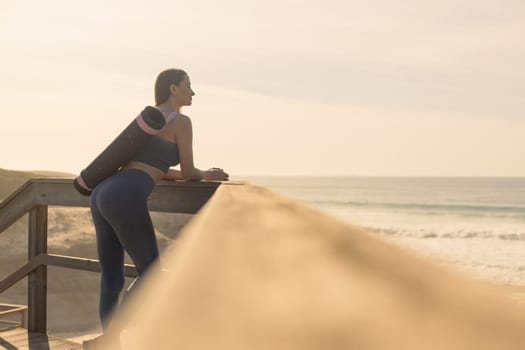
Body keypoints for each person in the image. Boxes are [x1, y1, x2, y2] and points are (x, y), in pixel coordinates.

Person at [84, 68, 229, 347]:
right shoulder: (181, 121)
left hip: (104, 191)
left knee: (112, 277)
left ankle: (108, 345)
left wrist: (188, 172)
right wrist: (206, 173)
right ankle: (108, 341)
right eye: (188, 86)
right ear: (173, 89)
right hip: (126, 194)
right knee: (151, 274)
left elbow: (152, 168)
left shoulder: (147, 119)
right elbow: (187, 172)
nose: (193, 92)